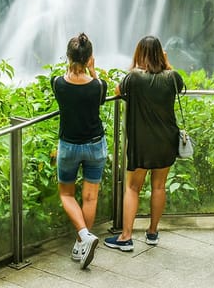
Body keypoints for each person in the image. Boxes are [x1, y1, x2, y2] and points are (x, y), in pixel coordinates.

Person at [104, 35, 184, 252]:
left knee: (133, 187)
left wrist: (136, 67)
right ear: (160, 54)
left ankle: (126, 237)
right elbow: (178, 83)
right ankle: (152, 233)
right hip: (166, 140)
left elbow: (117, 92)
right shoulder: (172, 77)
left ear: (139, 54)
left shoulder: (134, 78)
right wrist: (166, 63)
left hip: (141, 142)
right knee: (159, 186)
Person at [52, 32, 107, 269]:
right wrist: (93, 71)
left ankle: (83, 237)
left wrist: (74, 67)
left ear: (68, 56)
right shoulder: (98, 86)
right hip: (96, 145)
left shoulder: (58, 83)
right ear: (89, 58)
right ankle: (82, 242)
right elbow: (100, 94)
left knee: (66, 194)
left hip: (69, 147)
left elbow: (66, 82)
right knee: (90, 196)